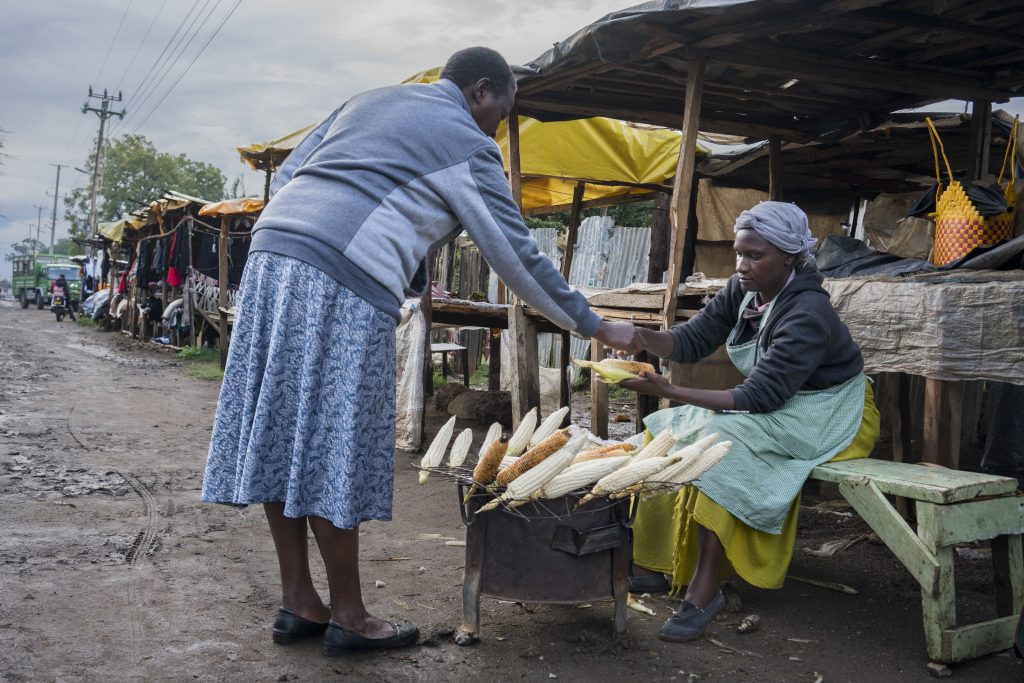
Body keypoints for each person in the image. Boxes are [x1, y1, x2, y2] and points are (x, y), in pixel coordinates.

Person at [200, 46, 639, 656]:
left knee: (281, 431)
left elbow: (297, 166)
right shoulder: (466, 140)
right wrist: (596, 324)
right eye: (501, 112)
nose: (496, 128)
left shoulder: (369, 100)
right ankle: (349, 615)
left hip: (272, 256)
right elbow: (514, 254)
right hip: (339, 277)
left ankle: (299, 600)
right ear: (481, 91)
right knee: (334, 444)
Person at [618, 201, 879, 642]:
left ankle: (707, 585)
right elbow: (692, 339)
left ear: (791, 257)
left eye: (755, 256)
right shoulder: (745, 289)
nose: (742, 265)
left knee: (722, 445)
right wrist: (642, 337)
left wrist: (669, 390)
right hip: (781, 403)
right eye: (740, 253)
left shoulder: (807, 313)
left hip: (832, 412)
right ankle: (655, 564)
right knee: (668, 429)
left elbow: (757, 398)